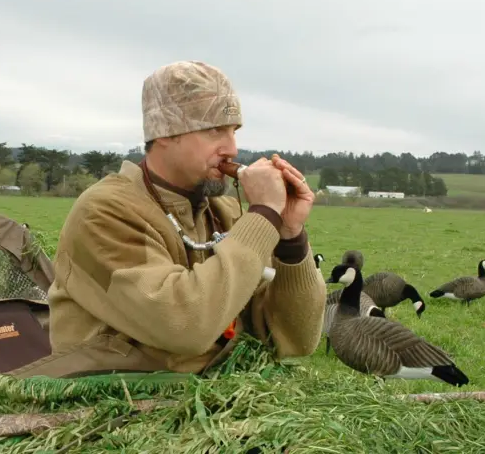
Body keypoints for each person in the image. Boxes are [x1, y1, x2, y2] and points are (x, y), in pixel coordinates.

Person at [45, 60, 326, 375]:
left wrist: (290, 236)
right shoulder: (103, 213)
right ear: (164, 133)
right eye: (214, 130)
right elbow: (185, 326)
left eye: (233, 131)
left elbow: (296, 339)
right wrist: (262, 215)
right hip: (110, 407)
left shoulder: (226, 212)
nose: (232, 148)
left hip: (209, 407)